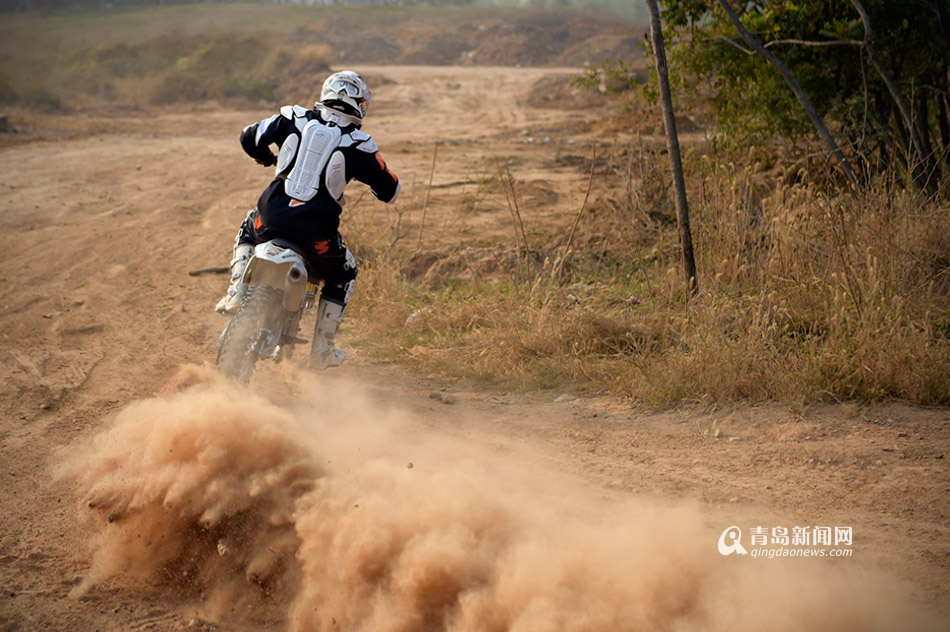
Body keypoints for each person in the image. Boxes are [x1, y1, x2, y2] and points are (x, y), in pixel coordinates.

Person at [216, 70, 400, 369]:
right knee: (344, 274)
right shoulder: (361, 144)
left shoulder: (292, 117)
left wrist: (265, 158)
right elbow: (391, 191)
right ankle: (322, 351)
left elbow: (248, 137)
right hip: (318, 235)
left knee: (249, 227)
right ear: (362, 104)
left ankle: (235, 294)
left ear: (325, 92)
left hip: (270, 218)